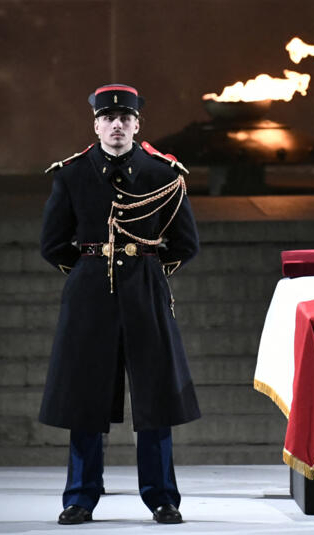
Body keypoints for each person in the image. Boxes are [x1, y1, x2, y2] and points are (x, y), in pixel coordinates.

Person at [39, 83, 201, 525]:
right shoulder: (71, 174)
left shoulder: (164, 174)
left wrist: (146, 268)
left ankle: (163, 498)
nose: (116, 125)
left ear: (136, 124)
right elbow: (52, 244)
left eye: (124, 118)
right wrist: (91, 270)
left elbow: (186, 243)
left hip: (145, 294)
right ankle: (80, 497)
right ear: (95, 125)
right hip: (90, 298)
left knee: (155, 402)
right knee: (83, 401)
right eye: (108, 119)